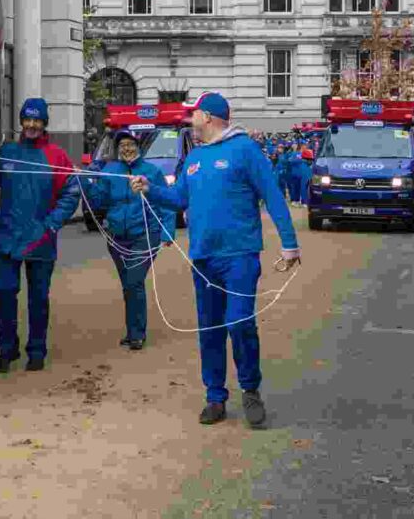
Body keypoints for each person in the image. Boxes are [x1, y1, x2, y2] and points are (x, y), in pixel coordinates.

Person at [132, 92, 300, 429]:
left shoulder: (244, 150)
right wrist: (149, 188)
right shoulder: (194, 158)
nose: (190, 120)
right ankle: (215, 396)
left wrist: (290, 243)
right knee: (209, 329)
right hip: (203, 258)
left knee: (239, 323)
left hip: (239, 256)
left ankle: (250, 390)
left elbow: (272, 195)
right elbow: (179, 197)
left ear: (207, 117)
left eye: (193, 115)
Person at [0, 98, 81, 373]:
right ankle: (7, 349)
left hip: (41, 239)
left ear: (44, 123)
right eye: (27, 120)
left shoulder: (57, 156)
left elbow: (71, 193)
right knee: (4, 293)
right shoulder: (8, 152)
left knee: (38, 299)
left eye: (36, 120)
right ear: (21, 122)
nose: (31, 125)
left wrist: (53, 223)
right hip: (7, 237)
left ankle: (37, 350)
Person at [86, 129, 177, 349]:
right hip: (117, 237)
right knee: (128, 284)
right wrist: (89, 183)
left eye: (130, 144)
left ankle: (138, 334)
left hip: (145, 235)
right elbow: (99, 202)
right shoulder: (110, 170)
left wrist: (167, 232)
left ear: (138, 147)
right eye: (122, 145)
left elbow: (166, 203)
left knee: (134, 281)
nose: (126, 148)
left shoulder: (151, 172)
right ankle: (132, 331)